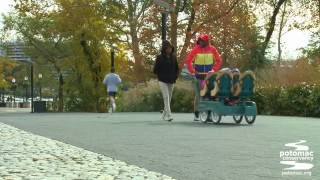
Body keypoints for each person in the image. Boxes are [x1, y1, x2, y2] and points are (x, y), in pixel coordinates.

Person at [185, 34, 222, 121]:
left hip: (209, 77)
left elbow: (218, 60)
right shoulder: (195, 49)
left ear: (206, 41)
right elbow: (188, 61)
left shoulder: (212, 49)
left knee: (209, 95)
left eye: (202, 41)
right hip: (198, 76)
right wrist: (193, 71)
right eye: (199, 40)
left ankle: (208, 114)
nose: (200, 42)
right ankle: (196, 113)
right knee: (199, 95)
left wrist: (213, 70)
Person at [153, 40, 179, 121]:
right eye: (168, 48)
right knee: (166, 97)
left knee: (169, 97)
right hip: (162, 80)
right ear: (164, 49)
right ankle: (169, 115)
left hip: (171, 80)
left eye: (170, 48)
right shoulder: (159, 57)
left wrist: (175, 77)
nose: (169, 50)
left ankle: (164, 114)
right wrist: (160, 74)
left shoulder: (174, 57)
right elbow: (155, 69)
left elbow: (177, 68)